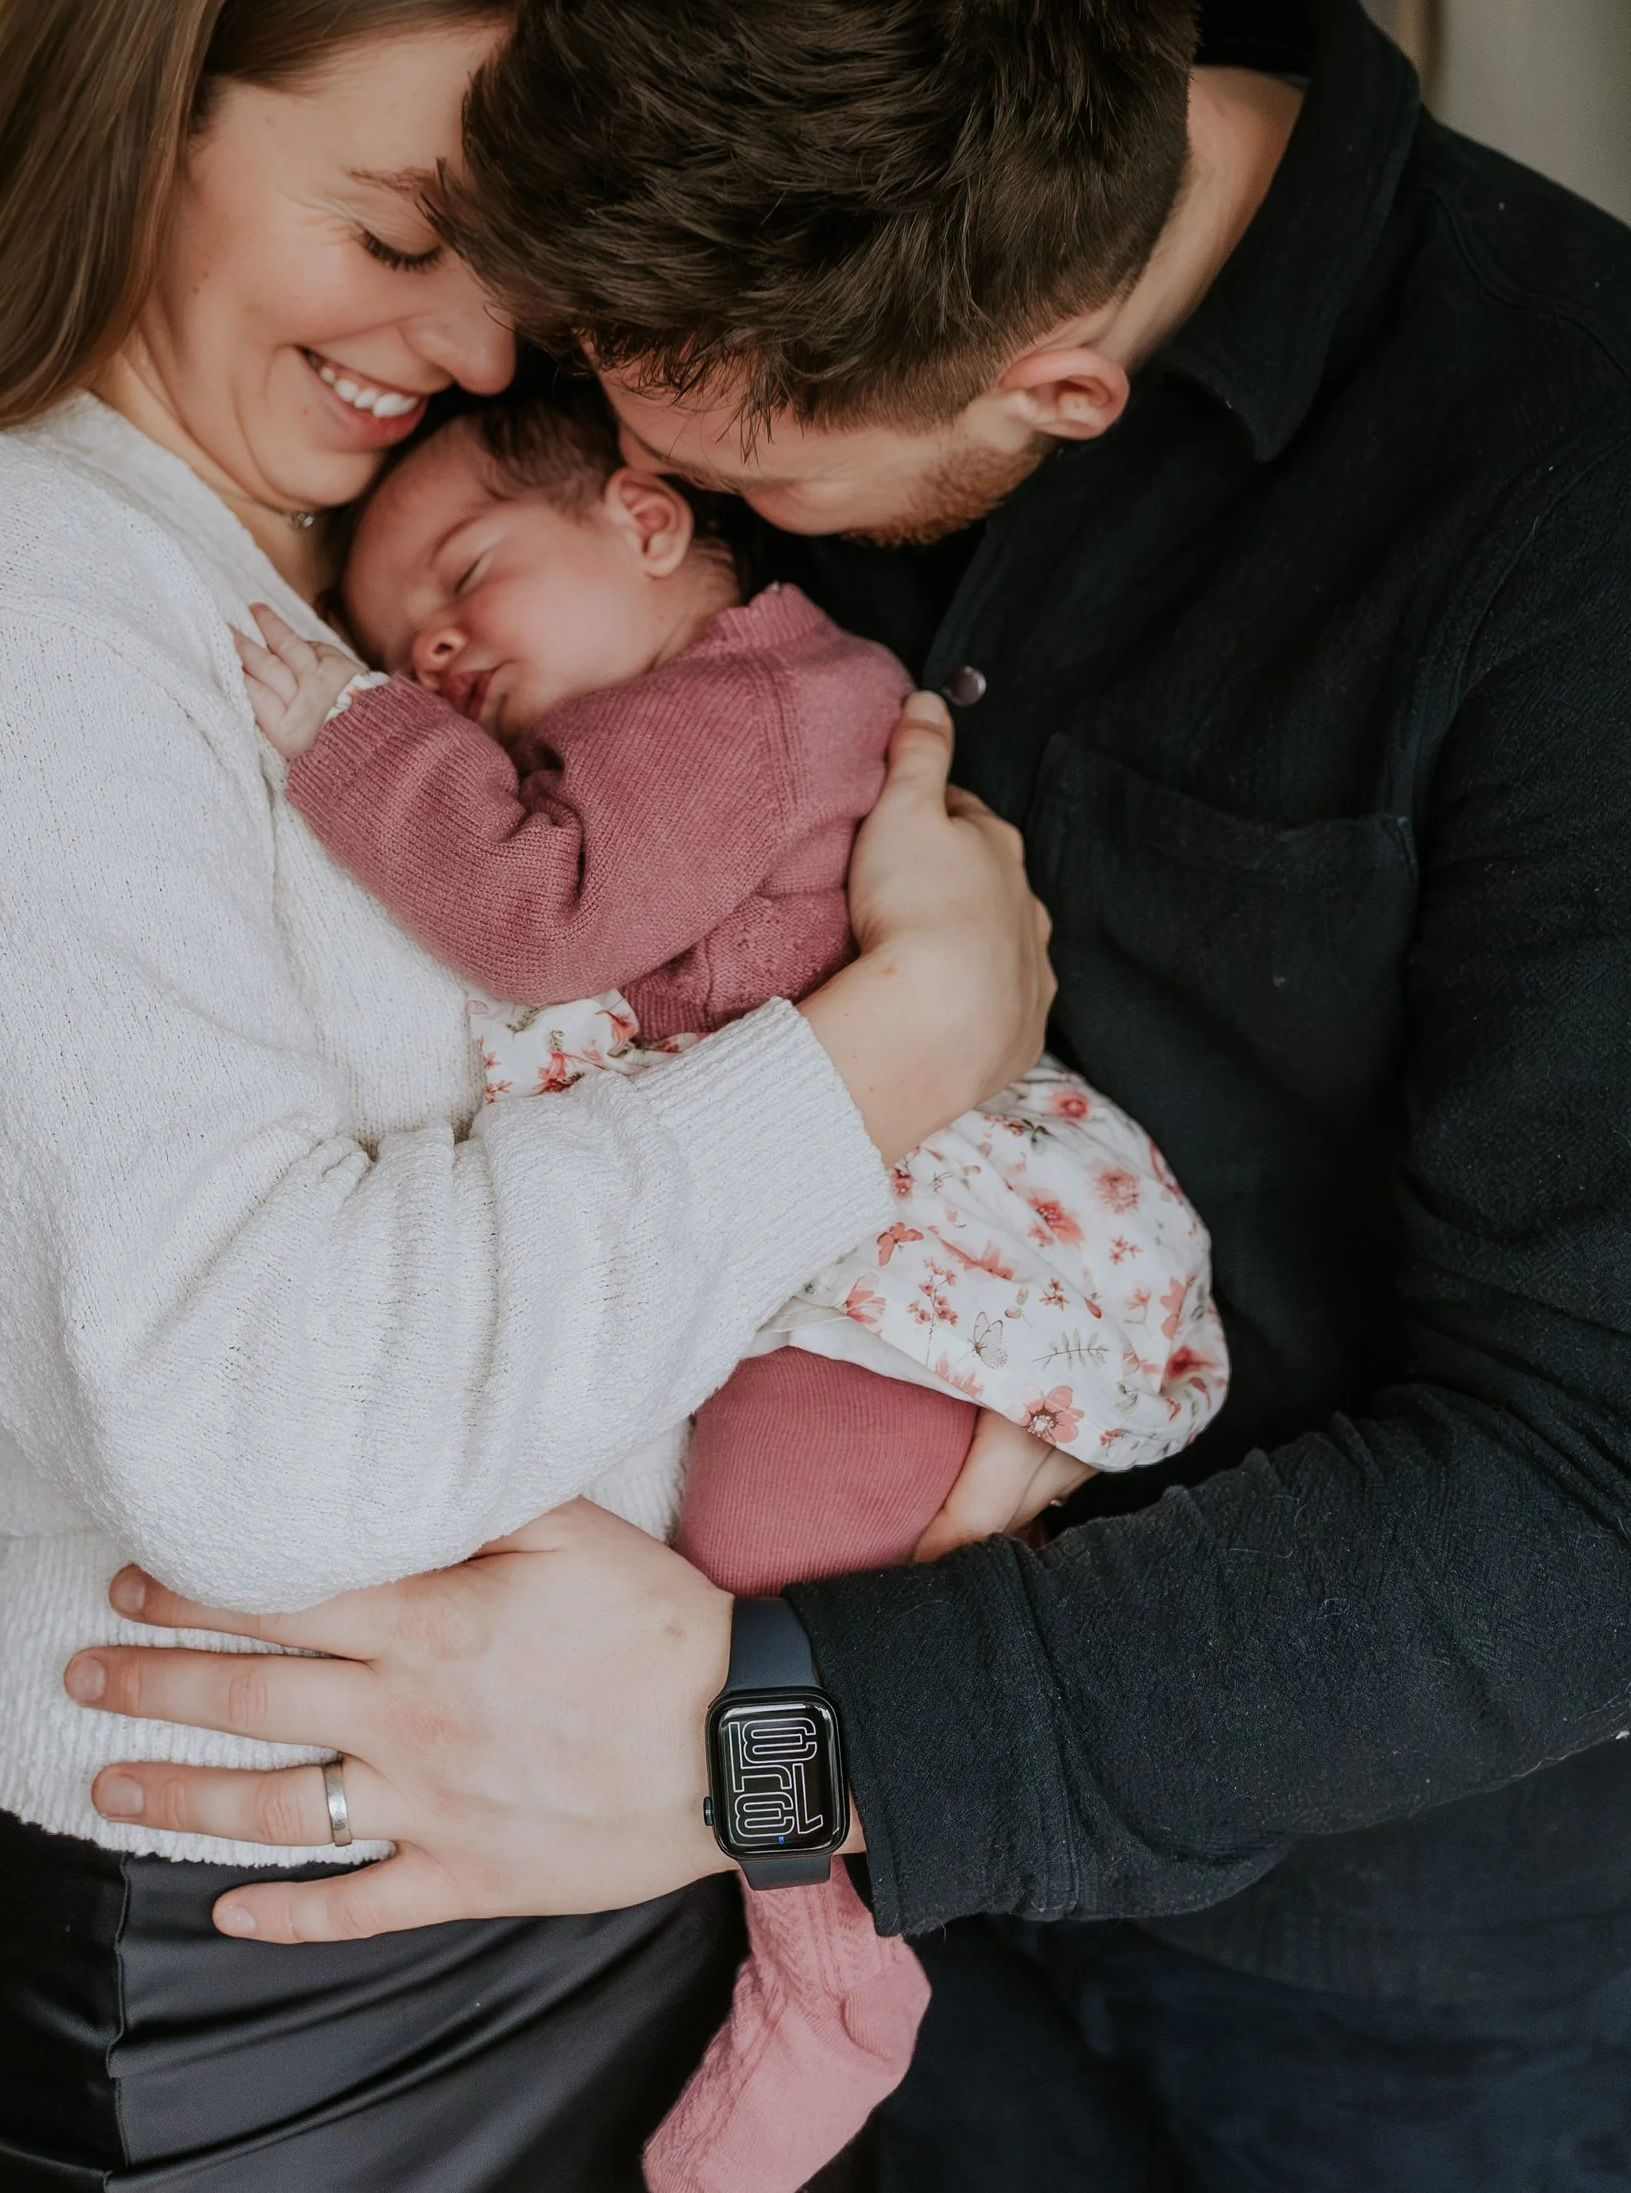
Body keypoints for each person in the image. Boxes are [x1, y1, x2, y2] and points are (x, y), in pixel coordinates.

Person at [69, 0, 1631, 2193]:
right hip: (872, 1921)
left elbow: (1627, 1502)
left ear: (1057, 388)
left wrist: (769, 1742)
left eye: (747, 478)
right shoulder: (791, 255)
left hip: (1403, 1977)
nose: (638, 481)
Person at [0, 0, 1054, 2193]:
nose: (459, 352)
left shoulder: (285, 571)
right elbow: (252, 1423)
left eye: (515, 280)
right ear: (146, 94)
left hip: (557, 1846)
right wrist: (892, 1056)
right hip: (269, 1978)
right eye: (398, 234)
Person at [235, 373, 1222, 2192]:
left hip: (915, 1243)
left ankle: (828, 1961)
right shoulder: (716, 697)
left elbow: (548, 911)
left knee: (759, 1575)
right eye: (389, 635)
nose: (433, 642)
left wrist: (347, 732)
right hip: (871, 1215)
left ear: (648, 511)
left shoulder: (740, 702)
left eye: (468, 571)